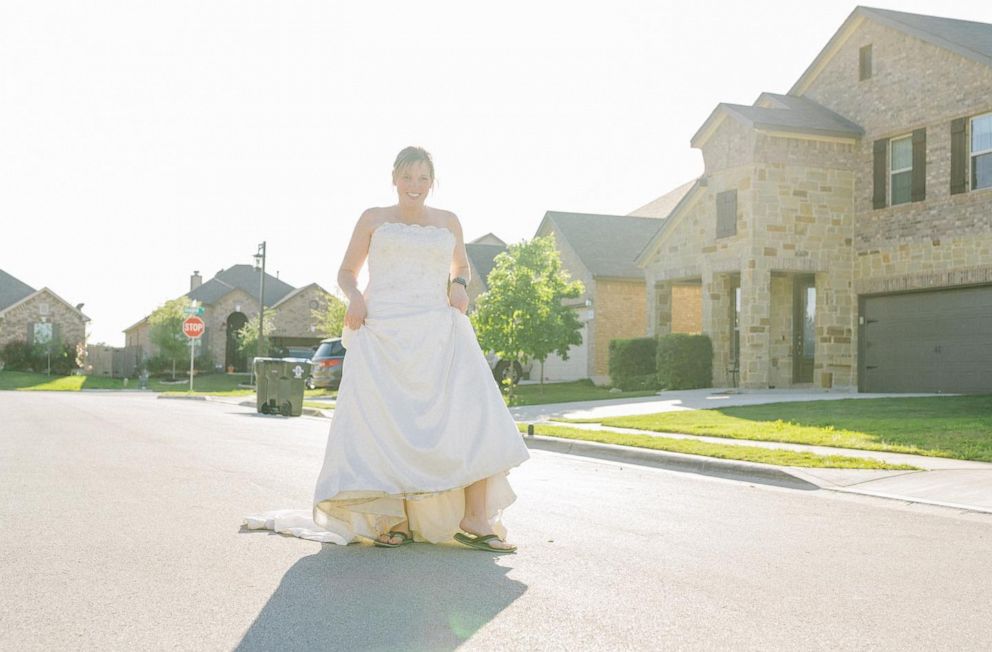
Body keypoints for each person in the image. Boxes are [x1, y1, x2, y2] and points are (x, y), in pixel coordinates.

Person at [244, 146, 529, 553]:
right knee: (387, 421)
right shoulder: (373, 219)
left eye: (423, 178)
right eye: (408, 177)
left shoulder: (449, 221)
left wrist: (459, 285)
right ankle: (390, 518)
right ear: (394, 178)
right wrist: (354, 297)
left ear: (433, 181)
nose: (415, 186)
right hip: (383, 329)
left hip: (438, 328)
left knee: (475, 410)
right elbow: (346, 271)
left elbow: (460, 266)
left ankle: (475, 517)